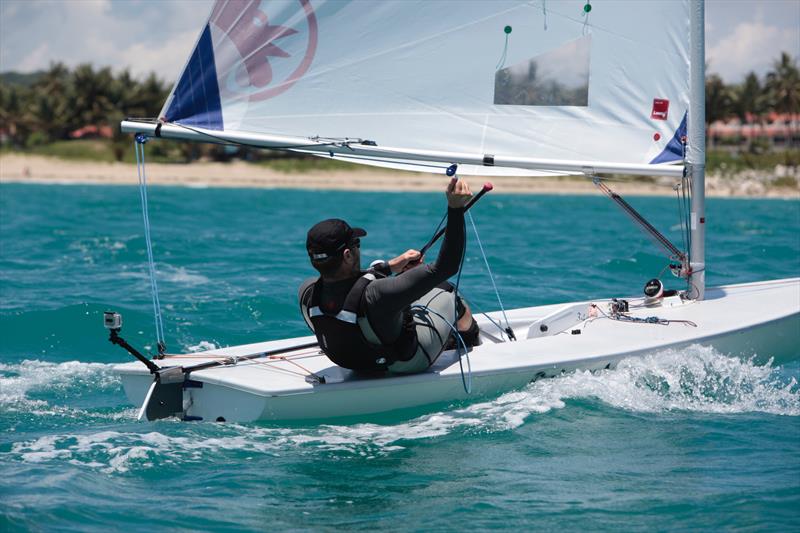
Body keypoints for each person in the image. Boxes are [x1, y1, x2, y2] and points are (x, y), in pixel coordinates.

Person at [299, 177, 480, 374]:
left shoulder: (307, 292)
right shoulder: (379, 294)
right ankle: (473, 347)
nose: (358, 248)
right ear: (348, 255)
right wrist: (455, 209)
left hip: (351, 361)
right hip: (403, 363)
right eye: (356, 244)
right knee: (447, 291)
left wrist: (390, 266)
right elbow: (446, 267)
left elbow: (350, 286)